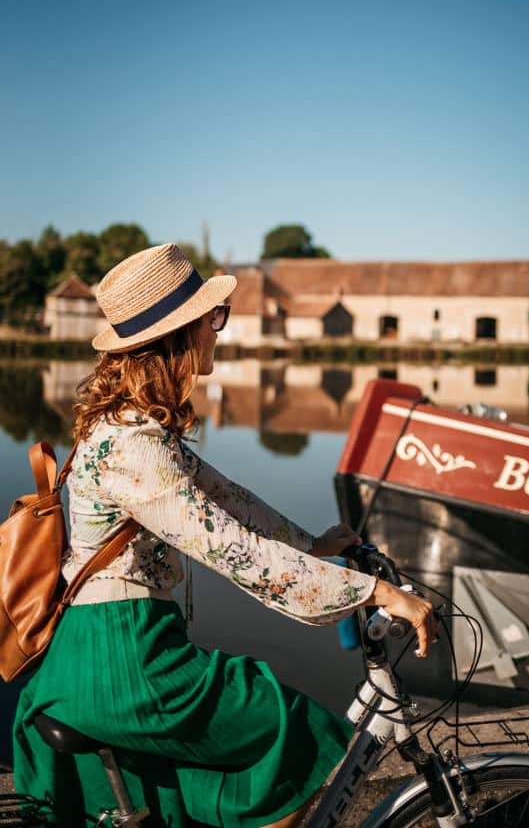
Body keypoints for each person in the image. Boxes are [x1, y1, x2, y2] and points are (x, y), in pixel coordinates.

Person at [13, 243, 435, 828]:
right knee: (294, 730)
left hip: (113, 653)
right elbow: (236, 553)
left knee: (212, 790)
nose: (219, 330)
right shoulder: (134, 450)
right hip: (128, 664)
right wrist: (375, 594)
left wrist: (312, 545)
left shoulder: (135, 430)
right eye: (213, 319)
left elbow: (229, 500)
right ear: (178, 335)